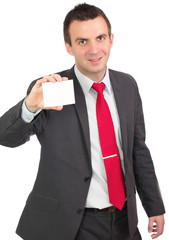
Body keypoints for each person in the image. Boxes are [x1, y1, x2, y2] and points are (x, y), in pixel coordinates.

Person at [0, 3, 165, 240]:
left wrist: (154, 206)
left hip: (123, 221)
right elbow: (5, 137)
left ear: (111, 39)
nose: (94, 49)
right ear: (69, 47)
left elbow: (138, 150)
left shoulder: (128, 85)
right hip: (70, 226)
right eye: (82, 41)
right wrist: (30, 106)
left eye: (100, 38)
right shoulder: (51, 90)